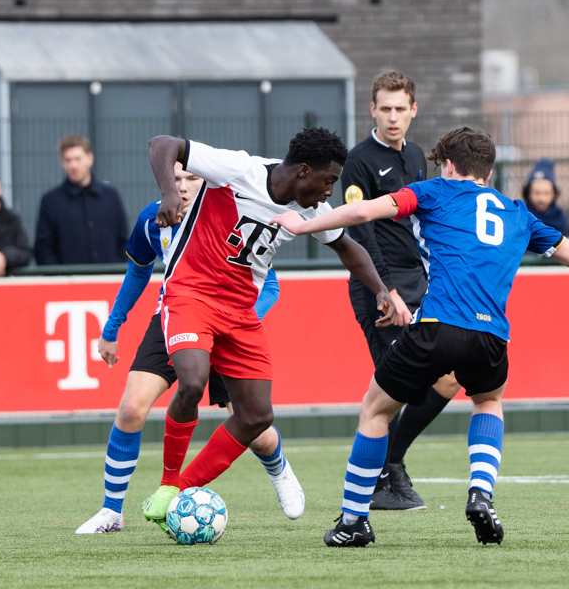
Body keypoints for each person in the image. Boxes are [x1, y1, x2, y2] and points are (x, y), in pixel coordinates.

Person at [269, 126, 569, 547]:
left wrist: (301, 224)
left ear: (449, 165)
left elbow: (363, 212)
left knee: (375, 412)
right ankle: (480, 493)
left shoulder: (434, 191)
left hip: (436, 326)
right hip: (491, 337)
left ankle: (353, 522)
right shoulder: (518, 213)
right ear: (489, 173)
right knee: (489, 401)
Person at [139, 127, 396, 533]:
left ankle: (181, 490)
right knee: (191, 382)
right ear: (304, 170)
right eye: (327, 181)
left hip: (240, 309)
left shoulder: (307, 210)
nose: (329, 192)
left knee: (257, 415)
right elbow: (162, 144)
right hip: (191, 295)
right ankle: (169, 482)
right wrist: (171, 192)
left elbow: (348, 247)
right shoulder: (238, 170)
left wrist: (381, 289)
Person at [76, 167, 304, 535]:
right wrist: (111, 328)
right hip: (176, 315)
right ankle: (111, 512)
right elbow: (138, 273)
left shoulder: (232, 217)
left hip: (230, 325)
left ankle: (279, 469)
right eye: (176, 179)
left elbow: (271, 287)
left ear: (207, 181)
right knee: (132, 408)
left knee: (258, 431)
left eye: (191, 179)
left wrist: (236, 321)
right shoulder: (153, 219)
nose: (182, 187)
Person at [340, 70, 460, 511]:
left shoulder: (414, 156)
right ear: (373, 110)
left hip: (420, 283)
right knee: (396, 385)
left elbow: (424, 224)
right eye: (384, 109)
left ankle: (392, 463)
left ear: (414, 110)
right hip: (378, 286)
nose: (393, 117)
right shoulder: (359, 161)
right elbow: (361, 229)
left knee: (449, 378)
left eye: (400, 109)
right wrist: (383, 289)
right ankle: (381, 481)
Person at [34, 133, 129, 265]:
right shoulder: (51, 201)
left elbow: (124, 241)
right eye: (68, 160)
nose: (73, 165)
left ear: (90, 158)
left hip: (109, 281)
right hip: (68, 282)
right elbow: (43, 249)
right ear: (62, 163)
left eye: (78, 159)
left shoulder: (111, 196)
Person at [522, 157, 569, 241]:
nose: (541, 198)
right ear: (528, 193)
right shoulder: (520, 218)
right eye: (537, 193)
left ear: (554, 194)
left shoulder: (563, 222)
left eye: (546, 193)